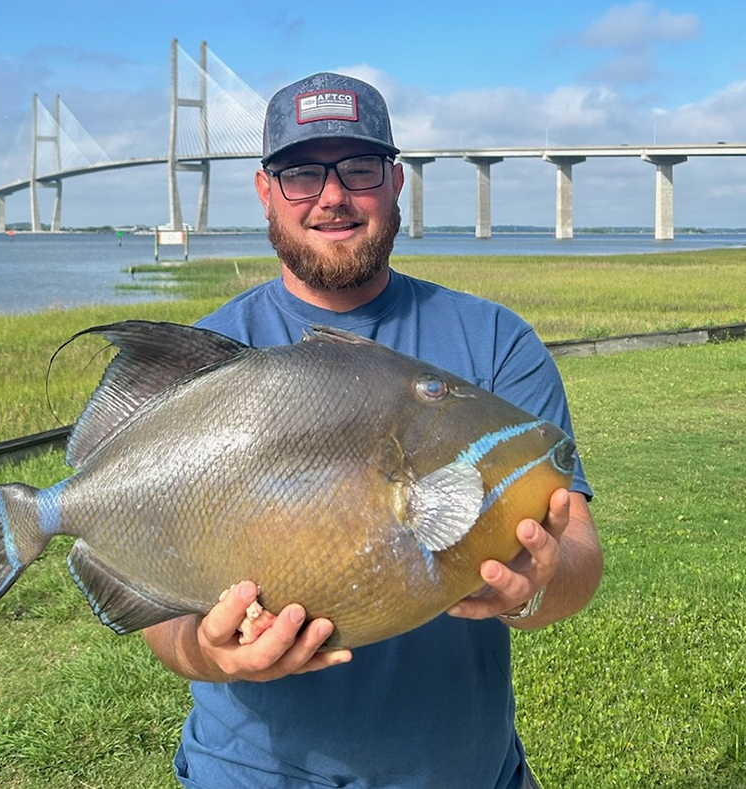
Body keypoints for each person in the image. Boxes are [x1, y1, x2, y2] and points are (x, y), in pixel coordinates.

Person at [142, 72, 603, 789]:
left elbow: (576, 546)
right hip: (249, 772)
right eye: (301, 173)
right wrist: (207, 652)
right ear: (266, 191)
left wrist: (538, 585)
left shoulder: (495, 342)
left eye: (358, 168)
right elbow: (156, 603)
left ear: (394, 182)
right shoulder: (206, 358)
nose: (332, 195)